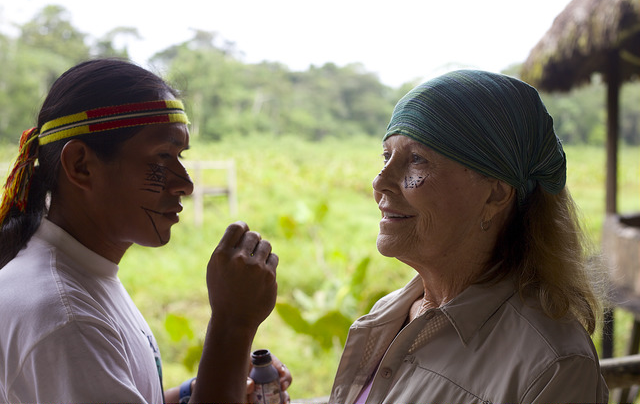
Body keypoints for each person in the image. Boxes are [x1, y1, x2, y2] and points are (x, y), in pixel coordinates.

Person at [0, 58, 290, 403]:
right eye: (163, 156)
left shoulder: (78, 279)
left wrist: (196, 390)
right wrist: (233, 325)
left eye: (180, 155)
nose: (186, 184)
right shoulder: (66, 320)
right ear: (81, 165)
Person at [328, 70, 608, 403]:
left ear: (495, 195)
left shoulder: (551, 366)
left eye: (416, 159)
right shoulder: (389, 314)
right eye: (386, 156)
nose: (380, 182)